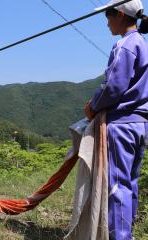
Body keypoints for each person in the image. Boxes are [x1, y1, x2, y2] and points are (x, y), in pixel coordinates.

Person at [84, 1, 148, 239]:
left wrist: (93, 106)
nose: (106, 21)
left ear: (120, 14)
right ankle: (126, 233)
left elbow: (113, 86)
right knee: (130, 182)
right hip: (140, 124)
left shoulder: (125, 45)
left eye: (108, 15)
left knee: (117, 186)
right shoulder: (142, 43)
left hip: (122, 124)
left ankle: (119, 236)